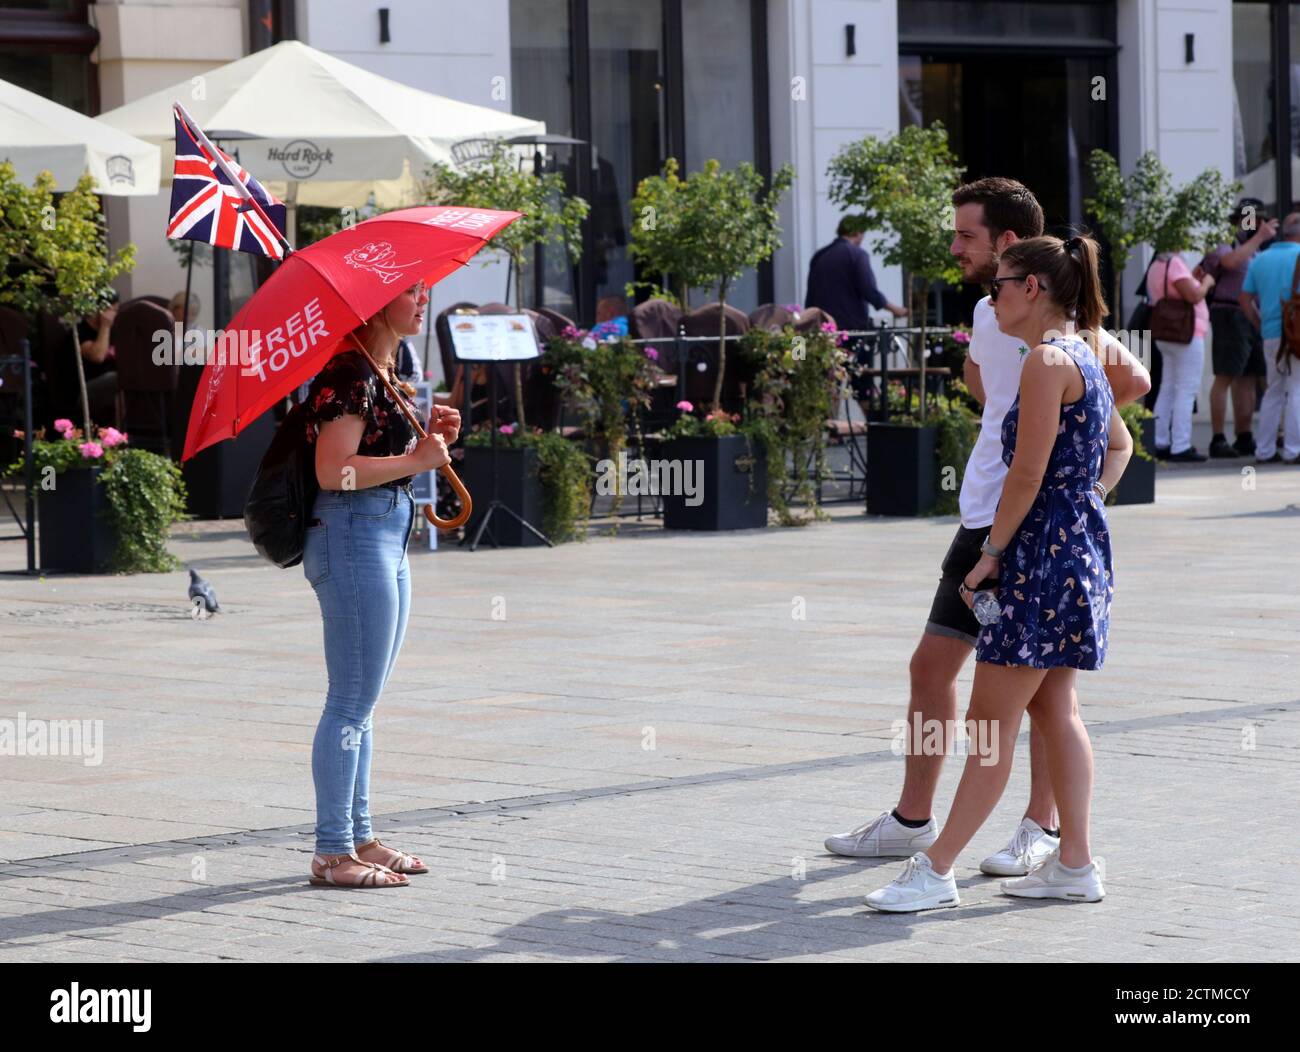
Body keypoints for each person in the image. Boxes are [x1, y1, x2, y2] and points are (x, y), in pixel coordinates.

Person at [824, 178, 1150, 878]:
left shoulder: (1066, 338)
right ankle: (916, 820)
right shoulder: (992, 314)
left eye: (967, 235)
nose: (955, 247)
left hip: (1026, 536)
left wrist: (1068, 469)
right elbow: (982, 384)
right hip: (985, 521)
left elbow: (1132, 387)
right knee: (938, 669)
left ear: (1012, 251)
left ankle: (1038, 830)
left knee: (1036, 697)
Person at [301, 279, 460, 888]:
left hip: (386, 530)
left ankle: (359, 834)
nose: (424, 302)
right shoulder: (349, 373)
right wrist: (416, 463)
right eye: (414, 292)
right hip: (351, 532)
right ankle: (331, 852)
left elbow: (380, 458)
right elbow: (332, 470)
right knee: (348, 700)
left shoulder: (386, 368)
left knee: (362, 702)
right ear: (377, 300)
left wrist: (434, 441)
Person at [806, 216, 909, 409]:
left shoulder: (819, 256)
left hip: (825, 332)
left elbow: (810, 297)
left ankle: (831, 434)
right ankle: (871, 432)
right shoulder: (857, 255)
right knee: (863, 383)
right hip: (855, 332)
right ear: (857, 233)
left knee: (830, 382)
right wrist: (896, 309)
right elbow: (868, 290)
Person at [1200, 200, 1276, 458]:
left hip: (1251, 314)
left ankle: (1245, 436)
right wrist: (1259, 239)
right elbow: (1230, 264)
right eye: (1251, 219)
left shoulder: (1254, 250)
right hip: (1229, 314)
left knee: (1249, 377)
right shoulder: (1224, 244)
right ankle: (1218, 438)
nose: (1256, 225)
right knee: (1225, 376)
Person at [1239, 212, 1300, 464]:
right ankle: (1293, 450)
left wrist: (1260, 322)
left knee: (1274, 390)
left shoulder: (1260, 259)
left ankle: (1264, 450)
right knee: (1297, 389)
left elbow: (1244, 299)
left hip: (1271, 333)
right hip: (1297, 335)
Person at [1148, 243, 1214, 461]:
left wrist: (1193, 278)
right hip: (1186, 334)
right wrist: (1206, 283)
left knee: (1167, 387)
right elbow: (1193, 295)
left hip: (1167, 335)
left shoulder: (1156, 264)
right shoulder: (1174, 262)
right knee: (1186, 389)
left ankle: (1160, 441)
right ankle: (1181, 445)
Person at [76, 292, 120, 426]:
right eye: (112, 310)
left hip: (110, 389)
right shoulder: (81, 331)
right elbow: (98, 356)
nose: (114, 315)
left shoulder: (115, 331)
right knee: (117, 379)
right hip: (86, 391)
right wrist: (105, 326)